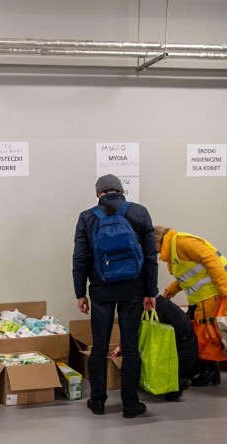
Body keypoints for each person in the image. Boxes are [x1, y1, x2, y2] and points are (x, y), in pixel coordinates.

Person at [73, 174, 158, 418]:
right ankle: (130, 405)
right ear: (121, 191)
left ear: (99, 194)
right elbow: (150, 256)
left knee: (100, 346)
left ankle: (98, 401)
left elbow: (80, 257)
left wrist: (80, 292)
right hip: (133, 289)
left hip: (101, 289)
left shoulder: (88, 217)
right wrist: (150, 291)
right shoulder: (139, 212)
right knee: (130, 347)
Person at [154, 225, 227, 384]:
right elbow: (192, 274)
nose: (154, 252)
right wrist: (172, 289)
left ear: (157, 241)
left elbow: (211, 260)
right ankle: (205, 369)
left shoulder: (182, 242)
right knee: (203, 332)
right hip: (206, 294)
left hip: (218, 291)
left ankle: (210, 371)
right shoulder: (173, 249)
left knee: (210, 333)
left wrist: (224, 289)